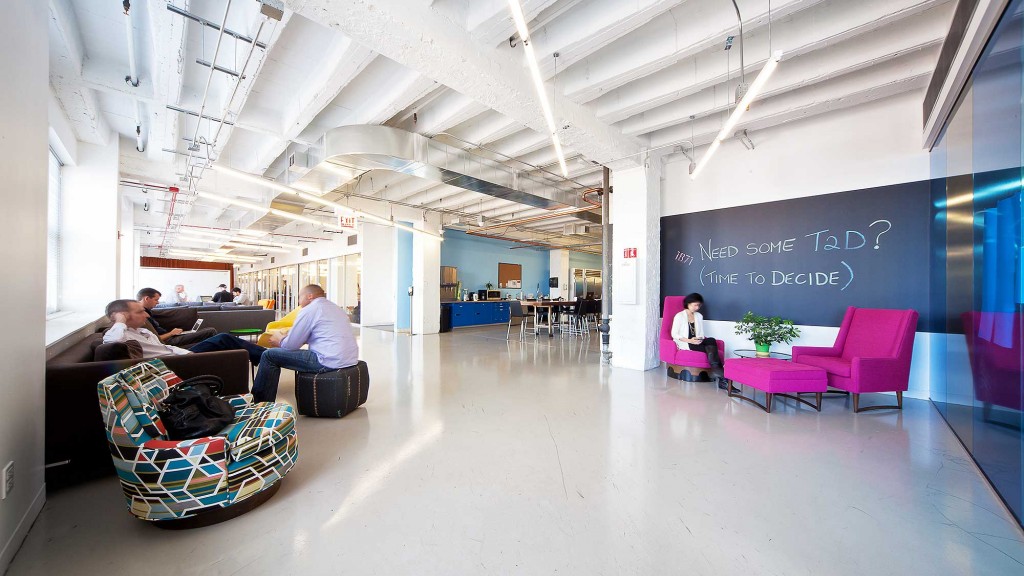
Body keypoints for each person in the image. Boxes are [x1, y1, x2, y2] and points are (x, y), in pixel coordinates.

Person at [252, 284, 359, 402]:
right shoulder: (335, 308)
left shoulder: (309, 310)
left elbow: (291, 345)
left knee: (269, 355)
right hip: (349, 359)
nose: (298, 301)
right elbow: (322, 334)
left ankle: (260, 404)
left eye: (299, 297)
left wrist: (279, 340)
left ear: (309, 296)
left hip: (327, 360)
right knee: (273, 353)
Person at [103, 299, 266, 367]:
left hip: (178, 353)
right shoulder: (117, 334)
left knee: (222, 339)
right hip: (175, 362)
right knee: (223, 338)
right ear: (122, 315)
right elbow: (113, 343)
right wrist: (119, 321)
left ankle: (265, 357)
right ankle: (267, 357)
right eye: (140, 312)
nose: (146, 315)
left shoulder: (142, 330)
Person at [671, 292, 727, 388]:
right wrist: (690, 340)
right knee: (713, 352)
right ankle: (723, 379)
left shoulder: (699, 316)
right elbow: (674, 334)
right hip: (685, 342)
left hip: (697, 341)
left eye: (699, 305)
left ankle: (719, 376)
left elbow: (701, 333)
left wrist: (698, 339)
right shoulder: (679, 316)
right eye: (695, 305)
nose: (697, 308)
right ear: (688, 303)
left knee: (711, 340)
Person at [136, 288, 217, 346]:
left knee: (207, 332)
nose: (158, 302)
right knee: (211, 331)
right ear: (146, 298)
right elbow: (154, 339)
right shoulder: (141, 316)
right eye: (156, 300)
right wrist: (171, 333)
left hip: (169, 336)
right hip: (167, 341)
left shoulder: (147, 311)